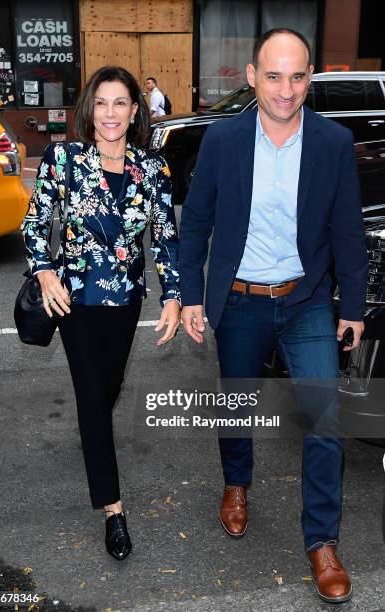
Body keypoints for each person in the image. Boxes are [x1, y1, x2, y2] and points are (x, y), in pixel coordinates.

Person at [179, 29, 367, 604]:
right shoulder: (224, 140)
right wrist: (190, 294)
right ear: (252, 75)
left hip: (306, 299)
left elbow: (346, 231)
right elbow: (197, 223)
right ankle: (237, 484)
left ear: (309, 78)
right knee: (235, 406)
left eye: (298, 76)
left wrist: (353, 306)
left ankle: (322, 541)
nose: (286, 90)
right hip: (237, 299)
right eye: (275, 75)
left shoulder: (334, 142)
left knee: (323, 422)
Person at [21, 65, 180, 561]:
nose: (110, 113)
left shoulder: (153, 170)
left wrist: (171, 295)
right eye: (102, 103)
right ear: (90, 109)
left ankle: (95, 436)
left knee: (106, 390)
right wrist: (45, 271)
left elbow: (166, 241)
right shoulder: (63, 160)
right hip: (74, 299)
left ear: (136, 112)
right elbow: (34, 221)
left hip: (126, 300)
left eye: (121, 104)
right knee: (93, 397)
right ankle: (113, 509)